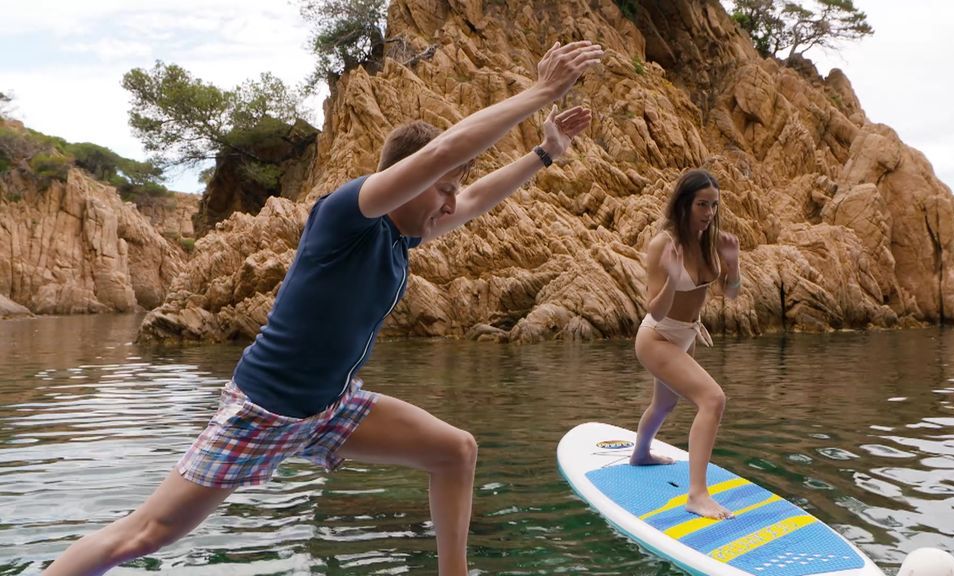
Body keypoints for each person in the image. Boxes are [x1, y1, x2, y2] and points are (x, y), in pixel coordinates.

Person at [43, 40, 603, 576]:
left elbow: (477, 196)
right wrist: (539, 92)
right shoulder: (346, 216)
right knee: (145, 534)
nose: (454, 199)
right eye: (443, 188)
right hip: (265, 410)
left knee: (455, 451)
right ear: (409, 180)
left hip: (331, 408)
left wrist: (545, 153)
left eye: (454, 189)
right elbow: (442, 152)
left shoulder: (402, 237)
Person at [629, 168, 741, 520]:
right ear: (684, 204)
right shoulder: (663, 245)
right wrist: (672, 281)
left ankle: (641, 454)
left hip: (687, 337)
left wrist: (733, 266)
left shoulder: (711, 242)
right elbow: (656, 311)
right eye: (701, 205)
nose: (708, 213)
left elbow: (731, 294)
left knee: (662, 406)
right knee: (713, 399)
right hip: (657, 337)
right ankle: (697, 494)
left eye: (713, 205)